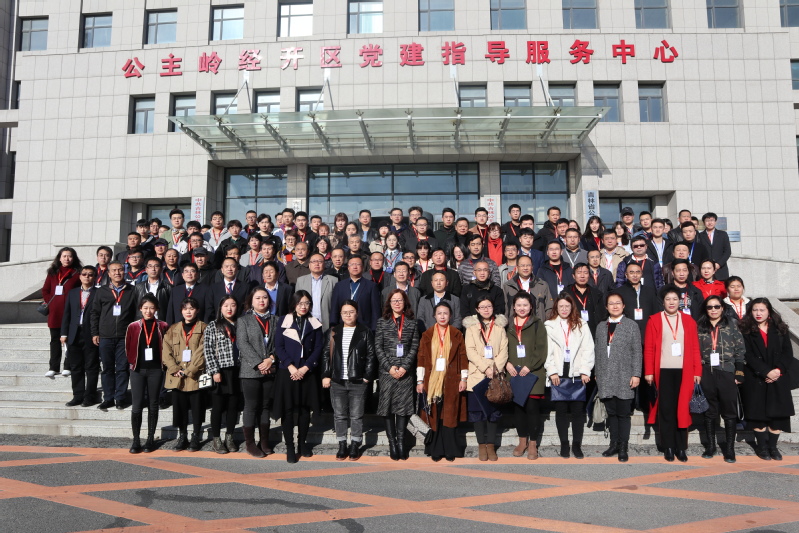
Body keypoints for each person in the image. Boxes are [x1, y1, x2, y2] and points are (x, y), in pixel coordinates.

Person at [644, 285, 703, 462]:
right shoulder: (655, 320)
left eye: (675, 299)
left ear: (680, 302)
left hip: (685, 371)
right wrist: (648, 371)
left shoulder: (688, 321)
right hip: (663, 371)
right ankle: (668, 446)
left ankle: (681, 447)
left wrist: (697, 371)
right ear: (663, 302)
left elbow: (695, 348)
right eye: (668, 299)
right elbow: (649, 349)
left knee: (683, 409)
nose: (671, 302)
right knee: (666, 409)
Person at [739, 298, 795, 461]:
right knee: (757, 413)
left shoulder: (780, 329)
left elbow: (788, 353)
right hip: (756, 377)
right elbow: (747, 354)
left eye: (762, 310)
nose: (758, 313)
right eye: (755, 310)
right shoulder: (745, 329)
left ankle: (773, 446)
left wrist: (777, 371)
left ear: (769, 311)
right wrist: (765, 372)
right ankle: (762, 447)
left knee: (778, 415)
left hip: (778, 376)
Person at [274, 290, 325, 463]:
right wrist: (290, 366)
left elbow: (318, 348)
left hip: (307, 372)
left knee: (304, 410)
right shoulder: (284, 320)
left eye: (307, 303)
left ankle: (302, 443)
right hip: (287, 371)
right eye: (300, 303)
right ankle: (290, 446)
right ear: (294, 304)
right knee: (288, 410)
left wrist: (305, 368)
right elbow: (279, 346)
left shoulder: (315, 323)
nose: (303, 306)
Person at [322, 300, 377, 461]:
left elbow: (371, 355)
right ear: (340, 314)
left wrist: (367, 376)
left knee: (356, 415)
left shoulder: (365, 331)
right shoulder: (333, 332)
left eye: (351, 312)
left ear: (357, 313)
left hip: (358, 380)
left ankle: (355, 444)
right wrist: (326, 375)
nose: (348, 315)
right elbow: (326, 355)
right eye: (345, 312)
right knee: (339, 415)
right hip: (337, 380)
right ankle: (342, 444)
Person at [416, 301, 469, 461]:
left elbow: (463, 357)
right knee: (434, 414)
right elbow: (421, 358)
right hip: (431, 380)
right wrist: (420, 381)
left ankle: (450, 449)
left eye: (445, 313)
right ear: (434, 316)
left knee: (449, 414)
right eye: (439, 313)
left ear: (450, 316)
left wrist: (464, 378)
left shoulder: (456, 334)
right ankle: (435, 449)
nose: (442, 316)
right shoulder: (427, 334)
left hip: (452, 380)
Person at [696, 295, 745, 463]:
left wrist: (739, 372)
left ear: (722, 308)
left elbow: (740, 349)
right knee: (709, 411)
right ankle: (711, 446)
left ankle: (729, 449)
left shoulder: (732, 324)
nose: (713, 310)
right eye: (710, 307)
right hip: (707, 371)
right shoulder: (700, 326)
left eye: (716, 306)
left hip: (726, 370)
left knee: (729, 412)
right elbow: (694, 350)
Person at [544, 294, 595, 459]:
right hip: (558, 374)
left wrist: (585, 370)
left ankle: (576, 445)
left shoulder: (581, 324)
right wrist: (551, 370)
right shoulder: (549, 326)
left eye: (567, 306)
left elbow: (588, 348)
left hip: (577, 374)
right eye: (561, 306)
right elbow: (547, 351)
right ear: (556, 308)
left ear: (572, 307)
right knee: (560, 411)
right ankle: (564, 444)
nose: (564, 309)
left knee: (578, 412)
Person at [594, 292, 642, 462]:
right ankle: (613, 444)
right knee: (611, 413)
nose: (615, 306)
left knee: (623, 414)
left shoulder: (631, 325)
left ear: (623, 305)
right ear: (606, 307)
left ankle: (623, 446)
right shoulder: (601, 326)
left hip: (624, 375)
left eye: (618, 303)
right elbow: (597, 352)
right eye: (611, 303)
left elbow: (637, 352)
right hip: (605, 376)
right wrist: (597, 373)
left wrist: (636, 374)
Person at [376, 289, 420, 461]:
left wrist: (404, 367)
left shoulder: (412, 322)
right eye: (394, 300)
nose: (397, 303)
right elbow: (378, 347)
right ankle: (392, 443)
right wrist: (389, 367)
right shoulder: (382, 322)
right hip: (387, 371)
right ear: (389, 303)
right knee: (387, 408)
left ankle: (401, 442)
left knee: (402, 408)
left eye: (400, 300)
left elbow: (414, 346)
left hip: (405, 372)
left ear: (405, 303)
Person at [463, 296, 508, 462]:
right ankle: (482, 445)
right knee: (478, 413)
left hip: (495, 376)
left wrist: (495, 369)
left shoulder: (499, 328)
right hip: (477, 375)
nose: (486, 310)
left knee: (493, 412)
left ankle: (491, 445)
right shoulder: (471, 328)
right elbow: (470, 351)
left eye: (489, 306)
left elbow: (504, 351)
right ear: (477, 309)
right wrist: (485, 368)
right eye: (482, 307)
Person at [505, 292, 548, 460]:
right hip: (513, 373)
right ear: (513, 307)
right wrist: (506, 363)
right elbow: (501, 346)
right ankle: (522, 441)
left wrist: (530, 366)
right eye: (519, 305)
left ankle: (533, 444)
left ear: (531, 307)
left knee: (532, 409)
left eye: (525, 305)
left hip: (533, 373)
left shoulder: (537, 324)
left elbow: (541, 349)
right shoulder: (507, 324)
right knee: (519, 410)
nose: (522, 308)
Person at [90, 261, 138, 410]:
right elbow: (95, 313)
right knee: (107, 369)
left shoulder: (132, 290)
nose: (117, 273)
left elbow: (136, 313)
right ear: (109, 273)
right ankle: (108, 398)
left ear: (124, 272)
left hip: (125, 336)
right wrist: (95, 332)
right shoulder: (102, 291)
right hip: (105, 335)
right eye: (114, 270)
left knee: (122, 368)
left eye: (120, 270)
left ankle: (120, 398)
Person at [237, 288, 278, 458]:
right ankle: (250, 443)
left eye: (265, 297)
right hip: (250, 370)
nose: (262, 300)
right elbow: (242, 343)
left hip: (270, 369)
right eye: (258, 298)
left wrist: (271, 359)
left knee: (265, 406)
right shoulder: (244, 320)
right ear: (251, 301)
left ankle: (264, 441)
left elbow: (279, 343)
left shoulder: (276, 320)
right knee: (251, 406)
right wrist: (259, 363)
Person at [125, 294, 169, 454]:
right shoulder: (133, 326)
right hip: (137, 369)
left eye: (151, 308)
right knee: (137, 405)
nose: (148, 311)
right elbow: (127, 346)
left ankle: (150, 439)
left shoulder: (163, 325)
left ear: (156, 309)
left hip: (156, 369)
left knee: (153, 403)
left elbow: (167, 346)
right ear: (140, 309)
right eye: (145, 308)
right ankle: (136, 440)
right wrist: (132, 362)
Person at [162, 297, 207, 452]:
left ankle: (195, 436)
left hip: (195, 375)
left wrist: (189, 370)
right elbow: (166, 350)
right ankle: (183, 436)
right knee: (180, 408)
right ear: (181, 311)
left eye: (192, 308)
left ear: (197, 310)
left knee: (197, 408)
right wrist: (174, 368)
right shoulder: (173, 329)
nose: (188, 312)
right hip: (177, 375)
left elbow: (203, 351)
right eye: (185, 308)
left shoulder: (204, 328)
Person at [203, 295, 242, 454]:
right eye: (226, 305)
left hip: (237, 370)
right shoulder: (213, 325)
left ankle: (229, 437)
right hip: (220, 371)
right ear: (220, 307)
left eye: (233, 305)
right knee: (218, 407)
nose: (229, 308)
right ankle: (216, 438)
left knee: (233, 407)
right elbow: (208, 350)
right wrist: (214, 371)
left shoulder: (241, 324)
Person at [60, 266, 99, 406]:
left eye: (90, 274)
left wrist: (97, 333)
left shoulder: (99, 293)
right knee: (76, 367)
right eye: (84, 274)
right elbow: (67, 314)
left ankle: (90, 396)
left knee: (91, 367)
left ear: (95, 277)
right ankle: (77, 395)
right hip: (74, 333)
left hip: (91, 334)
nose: (87, 277)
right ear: (80, 276)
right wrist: (64, 333)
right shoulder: (73, 292)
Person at [43, 247, 82, 377]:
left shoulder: (77, 273)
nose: (67, 259)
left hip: (70, 312)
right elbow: (45, 290)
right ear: (59, 258)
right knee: (55, 340)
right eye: (64, 256)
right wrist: (51, 302)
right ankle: (53, 367)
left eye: (69, 256)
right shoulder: (53, 272)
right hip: (55, 312)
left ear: (74, 258)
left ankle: (68, 366)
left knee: (70, 340)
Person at [330, 256, 381, 331]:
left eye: (358, 264)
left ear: (362, 267)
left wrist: (374, 330)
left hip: (364, 327)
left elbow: (375, 311)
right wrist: (333, 326)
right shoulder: (339, 286)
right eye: (352, 264)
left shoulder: (371, 286)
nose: (355, 267)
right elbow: (334, 309)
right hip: (343, 326)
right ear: (348, 267)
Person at [614, 262, 662, 338]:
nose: (635, 275)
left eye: (638, 272)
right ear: (626, 275)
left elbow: (656, 313)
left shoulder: (650, 292)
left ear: (641, 274)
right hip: (626, 334)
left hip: (647, 333)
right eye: (631, 272)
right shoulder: (619, 293)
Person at [503, 254, 552, 322]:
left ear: (532, 267)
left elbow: (549, 308)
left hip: (537, 325)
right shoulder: (508, 286)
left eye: (528, 265)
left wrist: (545, 325)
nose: (525, 268)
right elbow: (505, 309)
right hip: (515, 325)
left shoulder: (542, 285)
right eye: (522, 265)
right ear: (517, 267)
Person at [296, 253, 335, 332]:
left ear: (324, 264)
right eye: (313, 261)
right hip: (306, 322)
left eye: (320, 261)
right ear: (309, 265)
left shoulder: (333, 280)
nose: (317, 264)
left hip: (326, 323)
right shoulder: (301, 281)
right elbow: (297, 303)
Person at [565, 263, 607, 337]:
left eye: (585, 273)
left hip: (592, 332)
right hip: (572, 331)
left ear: (589, 276)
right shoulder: (566, 293)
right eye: (579, 273)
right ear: (573, 276)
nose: (582, 276)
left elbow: (602, 315)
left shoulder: (596, 293)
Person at [698, 212, 732, 280]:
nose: (710, 223)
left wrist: (719, 264)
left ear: (715, 221)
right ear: (704, 222)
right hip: (706, 271)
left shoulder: (723, 234)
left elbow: (727, 251)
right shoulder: (699, 236)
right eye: (707, 220)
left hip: (721, 270)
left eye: (712, 220)